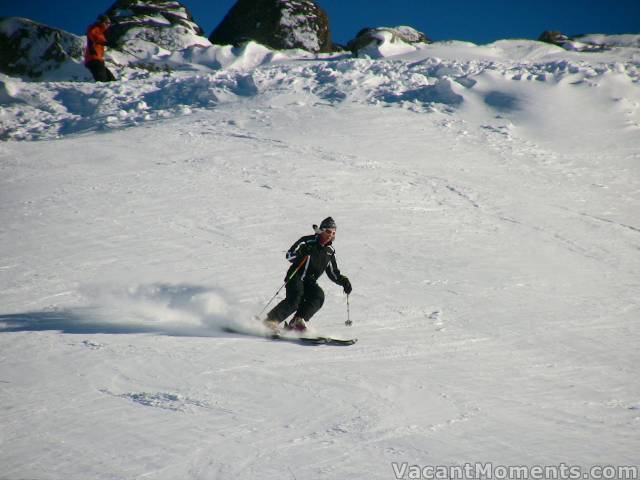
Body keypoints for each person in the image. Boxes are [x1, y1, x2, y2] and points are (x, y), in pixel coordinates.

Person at [264, 217, 353, 332]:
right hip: (296, 276)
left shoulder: (329, 251)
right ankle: (271, 320)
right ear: (321, 230)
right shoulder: (307, 241)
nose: (330, 235)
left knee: (318, 296)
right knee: (296, 297)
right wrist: (303, 254)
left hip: (309, 281)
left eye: (333, 233)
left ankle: (297, 321)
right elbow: (290, 255)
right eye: (328, 232)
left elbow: (333, 272)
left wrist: (344, 281)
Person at [84, 15, 116, 82]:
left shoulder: (101, 32)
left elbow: (101, 40)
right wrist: (107, 43)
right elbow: (95, 37)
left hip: (97, 59)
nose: (108, 25)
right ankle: (100, 91)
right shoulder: (95, 29)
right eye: (107, 23)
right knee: (102, 79)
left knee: (110, 79)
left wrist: (110, 43)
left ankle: (108, 91)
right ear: (102, 22)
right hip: (93, 58)